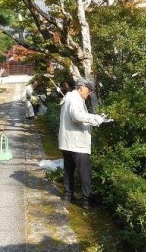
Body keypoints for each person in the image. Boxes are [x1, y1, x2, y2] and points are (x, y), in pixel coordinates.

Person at [58, 77, 109, 209]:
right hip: (77, 143)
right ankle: (87, 200)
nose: (90, 92)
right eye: (89, 89)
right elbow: (76, 115)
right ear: (81, 87)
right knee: (84, 171)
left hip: (67, 141)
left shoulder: (69, 97)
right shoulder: (75, 98)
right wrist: (95, 118)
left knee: (69, 170)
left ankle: (68, 195)